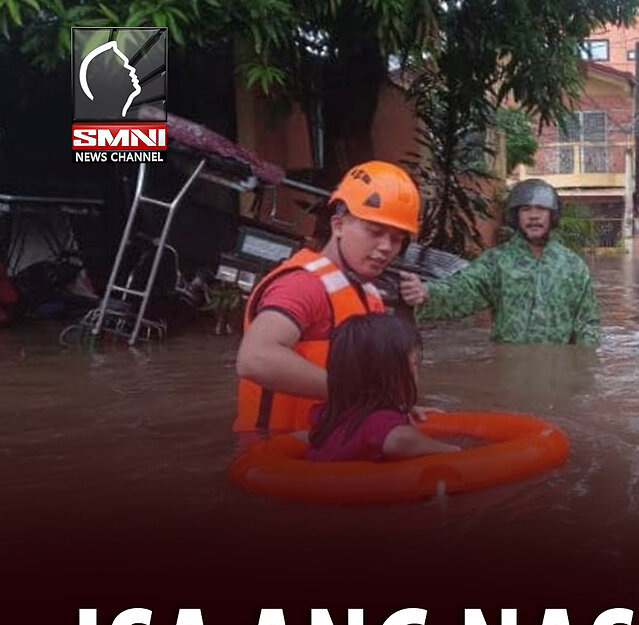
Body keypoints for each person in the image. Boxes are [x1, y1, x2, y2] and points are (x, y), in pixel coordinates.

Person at [234, 160, 427, 433]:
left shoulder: (367, 292)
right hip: (276, 454)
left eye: (397, 239)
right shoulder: (302, 285)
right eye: (374, 232)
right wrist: (360, 396)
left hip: (327, 447)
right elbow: (254, 359)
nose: (386, 247)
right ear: (338, 225)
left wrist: (392, 407)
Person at [414, 178, 599, 345]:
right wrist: (426, 293)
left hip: (557, 371)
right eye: (526, 209)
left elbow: (587, 324)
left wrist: (582, 371)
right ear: (516, 216)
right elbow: (463, 291)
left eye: (541, 209)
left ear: (552, 215)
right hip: (509, 368)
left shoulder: (574, 267)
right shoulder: (496, 262)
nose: (534, 216)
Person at [306, 313, 459, 462]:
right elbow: (400, 441)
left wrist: (403, 408)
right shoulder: (378, 424)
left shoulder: (326, 416)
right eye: (414, 364)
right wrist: (450, 450)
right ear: (389, 375)